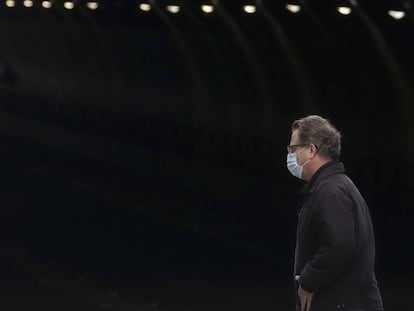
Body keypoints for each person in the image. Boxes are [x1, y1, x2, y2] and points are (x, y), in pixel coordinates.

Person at [286, 115, 383, 311]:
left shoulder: (330, 192)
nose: (290, 155)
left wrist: (308, 280)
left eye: (293, 149)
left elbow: (341, 244)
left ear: (312, 150)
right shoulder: (335, 186)